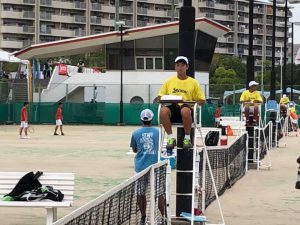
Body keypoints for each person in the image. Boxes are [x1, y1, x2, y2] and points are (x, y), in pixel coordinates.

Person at [157, 56, 205, 152]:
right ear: (175, 67)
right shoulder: (169, 82)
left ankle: (187, 138)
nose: (180, 67)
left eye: (182, 65)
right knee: (163, 111)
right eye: (178, 65)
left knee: (185, 110)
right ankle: (170, 138)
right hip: (173, 108)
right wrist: (165, 99)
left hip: (187, 109)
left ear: (187, 67)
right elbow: (160, 96)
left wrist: (193, 103)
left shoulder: (193, 82)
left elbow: (202, 100)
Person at [130, 109, 166, 225]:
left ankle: (143, 217)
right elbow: (160, 147)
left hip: (140, 167)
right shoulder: (158, 132)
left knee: (140, 193)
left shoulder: (135, 133)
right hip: (156, 167)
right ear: (152, 119)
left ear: (141, 119)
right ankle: (164, 217)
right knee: (160, 193)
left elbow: (134, 149)